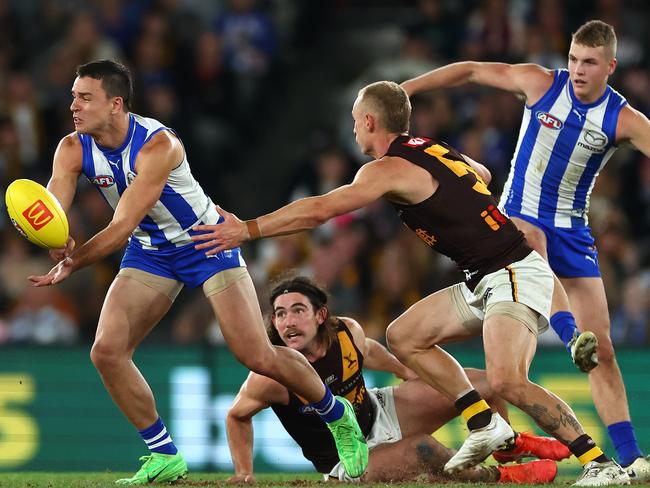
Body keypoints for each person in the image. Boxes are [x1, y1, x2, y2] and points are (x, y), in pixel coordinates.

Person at [192, 80, 631, 486]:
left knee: (507, 381)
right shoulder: (432, 149)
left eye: (354, 122)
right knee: (405, 335)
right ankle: (483, 422)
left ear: (369, 122)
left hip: (512, 271)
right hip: (484, 276)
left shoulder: (385, 168)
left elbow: (321, 209)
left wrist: (248, 229)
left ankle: (599, 462)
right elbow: (480, 173)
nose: (353, 132)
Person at [27, 59, 369, 484]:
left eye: (84, 97)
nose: (73, 105)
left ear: (116, 104)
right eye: (73, 96)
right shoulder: (72, 147)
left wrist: (74, 261)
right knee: (106, 351)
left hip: (206, 242)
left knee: (256, 356)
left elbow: (121, 226)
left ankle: (338, 417)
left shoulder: (158, 145)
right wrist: (55, 237)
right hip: (151, 252)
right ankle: (164, 454)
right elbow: (53, 207)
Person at [400, 19, 650, 480]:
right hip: (515, 219)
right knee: (530, 244)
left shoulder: (624, 119)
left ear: (610, 67)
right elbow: (472, 70)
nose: (577, 69)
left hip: (573, 232)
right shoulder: (539, 83)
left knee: (606, 351)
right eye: (573, 59)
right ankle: (569, 332)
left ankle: (632, 458)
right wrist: (406, 89)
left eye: (589, 63)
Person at [226, 275, 566, 483]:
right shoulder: (271, 374)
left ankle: (505, 447)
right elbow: (236, 415)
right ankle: (498, 477)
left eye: (297, 310)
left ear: (320, 315)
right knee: (425, 451)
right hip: (347, 463)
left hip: (381, 410)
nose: (287, 322)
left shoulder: (347, 332)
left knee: (483, 383)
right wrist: (244, 473)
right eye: (280, 314)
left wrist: (405, 371)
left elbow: (369, 351)